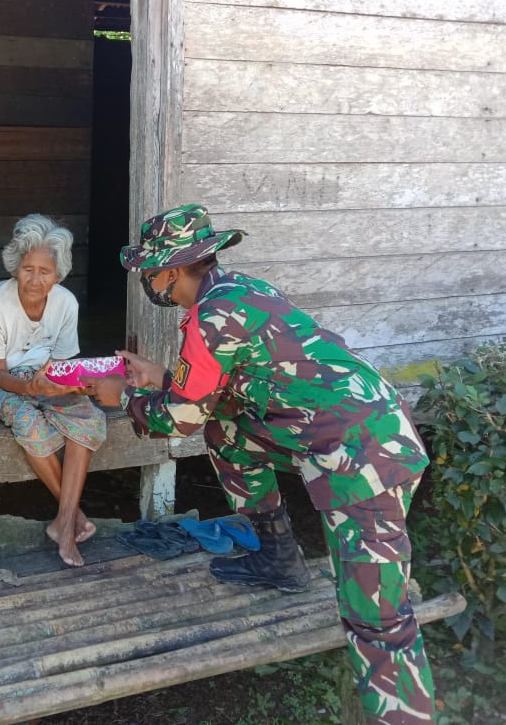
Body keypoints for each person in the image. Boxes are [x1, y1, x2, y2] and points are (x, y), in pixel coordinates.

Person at [88, 204, 435, 724]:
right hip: (337, 431)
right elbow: (215, 397)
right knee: (226, 431)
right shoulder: (239, 293)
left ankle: (404, 716)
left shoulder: (210, 318)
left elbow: (178, 421)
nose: (145, 280)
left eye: (149, 270)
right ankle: (279, 558)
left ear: (175, 269)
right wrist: (159, 377)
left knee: (376, 617)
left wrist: (121, 398)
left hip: (362, 454)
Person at [0, 214, 106, 568]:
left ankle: (63, 522)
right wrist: (29, 386)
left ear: (58, 274)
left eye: (45, 272)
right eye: (28, 268)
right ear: (15, 267)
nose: (35, 279)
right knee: (28, 420)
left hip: (45, 375)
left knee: (86, 417)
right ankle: (73, 518)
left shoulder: (66, 303)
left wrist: (74, 385)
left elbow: (63, 364)